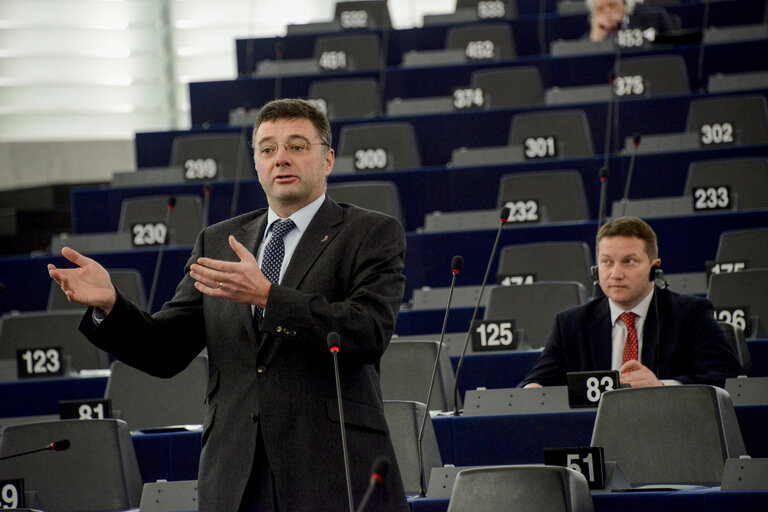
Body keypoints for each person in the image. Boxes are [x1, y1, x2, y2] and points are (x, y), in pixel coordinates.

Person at [48, 99, 409, 512]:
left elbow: (368, 330)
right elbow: (164, 349)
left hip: (332, 469)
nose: (281, 159)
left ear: (327, 159)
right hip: (236, 475)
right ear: (255, 162)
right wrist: (111, 305)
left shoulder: (370, 233)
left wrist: (267, 297)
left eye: (297, 146)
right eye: (268, 149)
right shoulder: (218, 241)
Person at [520, 216, 744, 389]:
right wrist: (533, 388)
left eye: (629, 262)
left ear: (654, 268)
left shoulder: (689, 314)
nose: (615, 274)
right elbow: (536, 382)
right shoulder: (571, 323)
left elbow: (729, 377)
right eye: (607, 262)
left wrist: (662, 386)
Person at [586, 0, 676, 42]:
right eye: (600, 9)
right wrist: (595, 41)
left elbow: (674, 48)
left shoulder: (655, 18)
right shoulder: (589, 40)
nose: (607, 11)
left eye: (612, 5)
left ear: (624, 4)